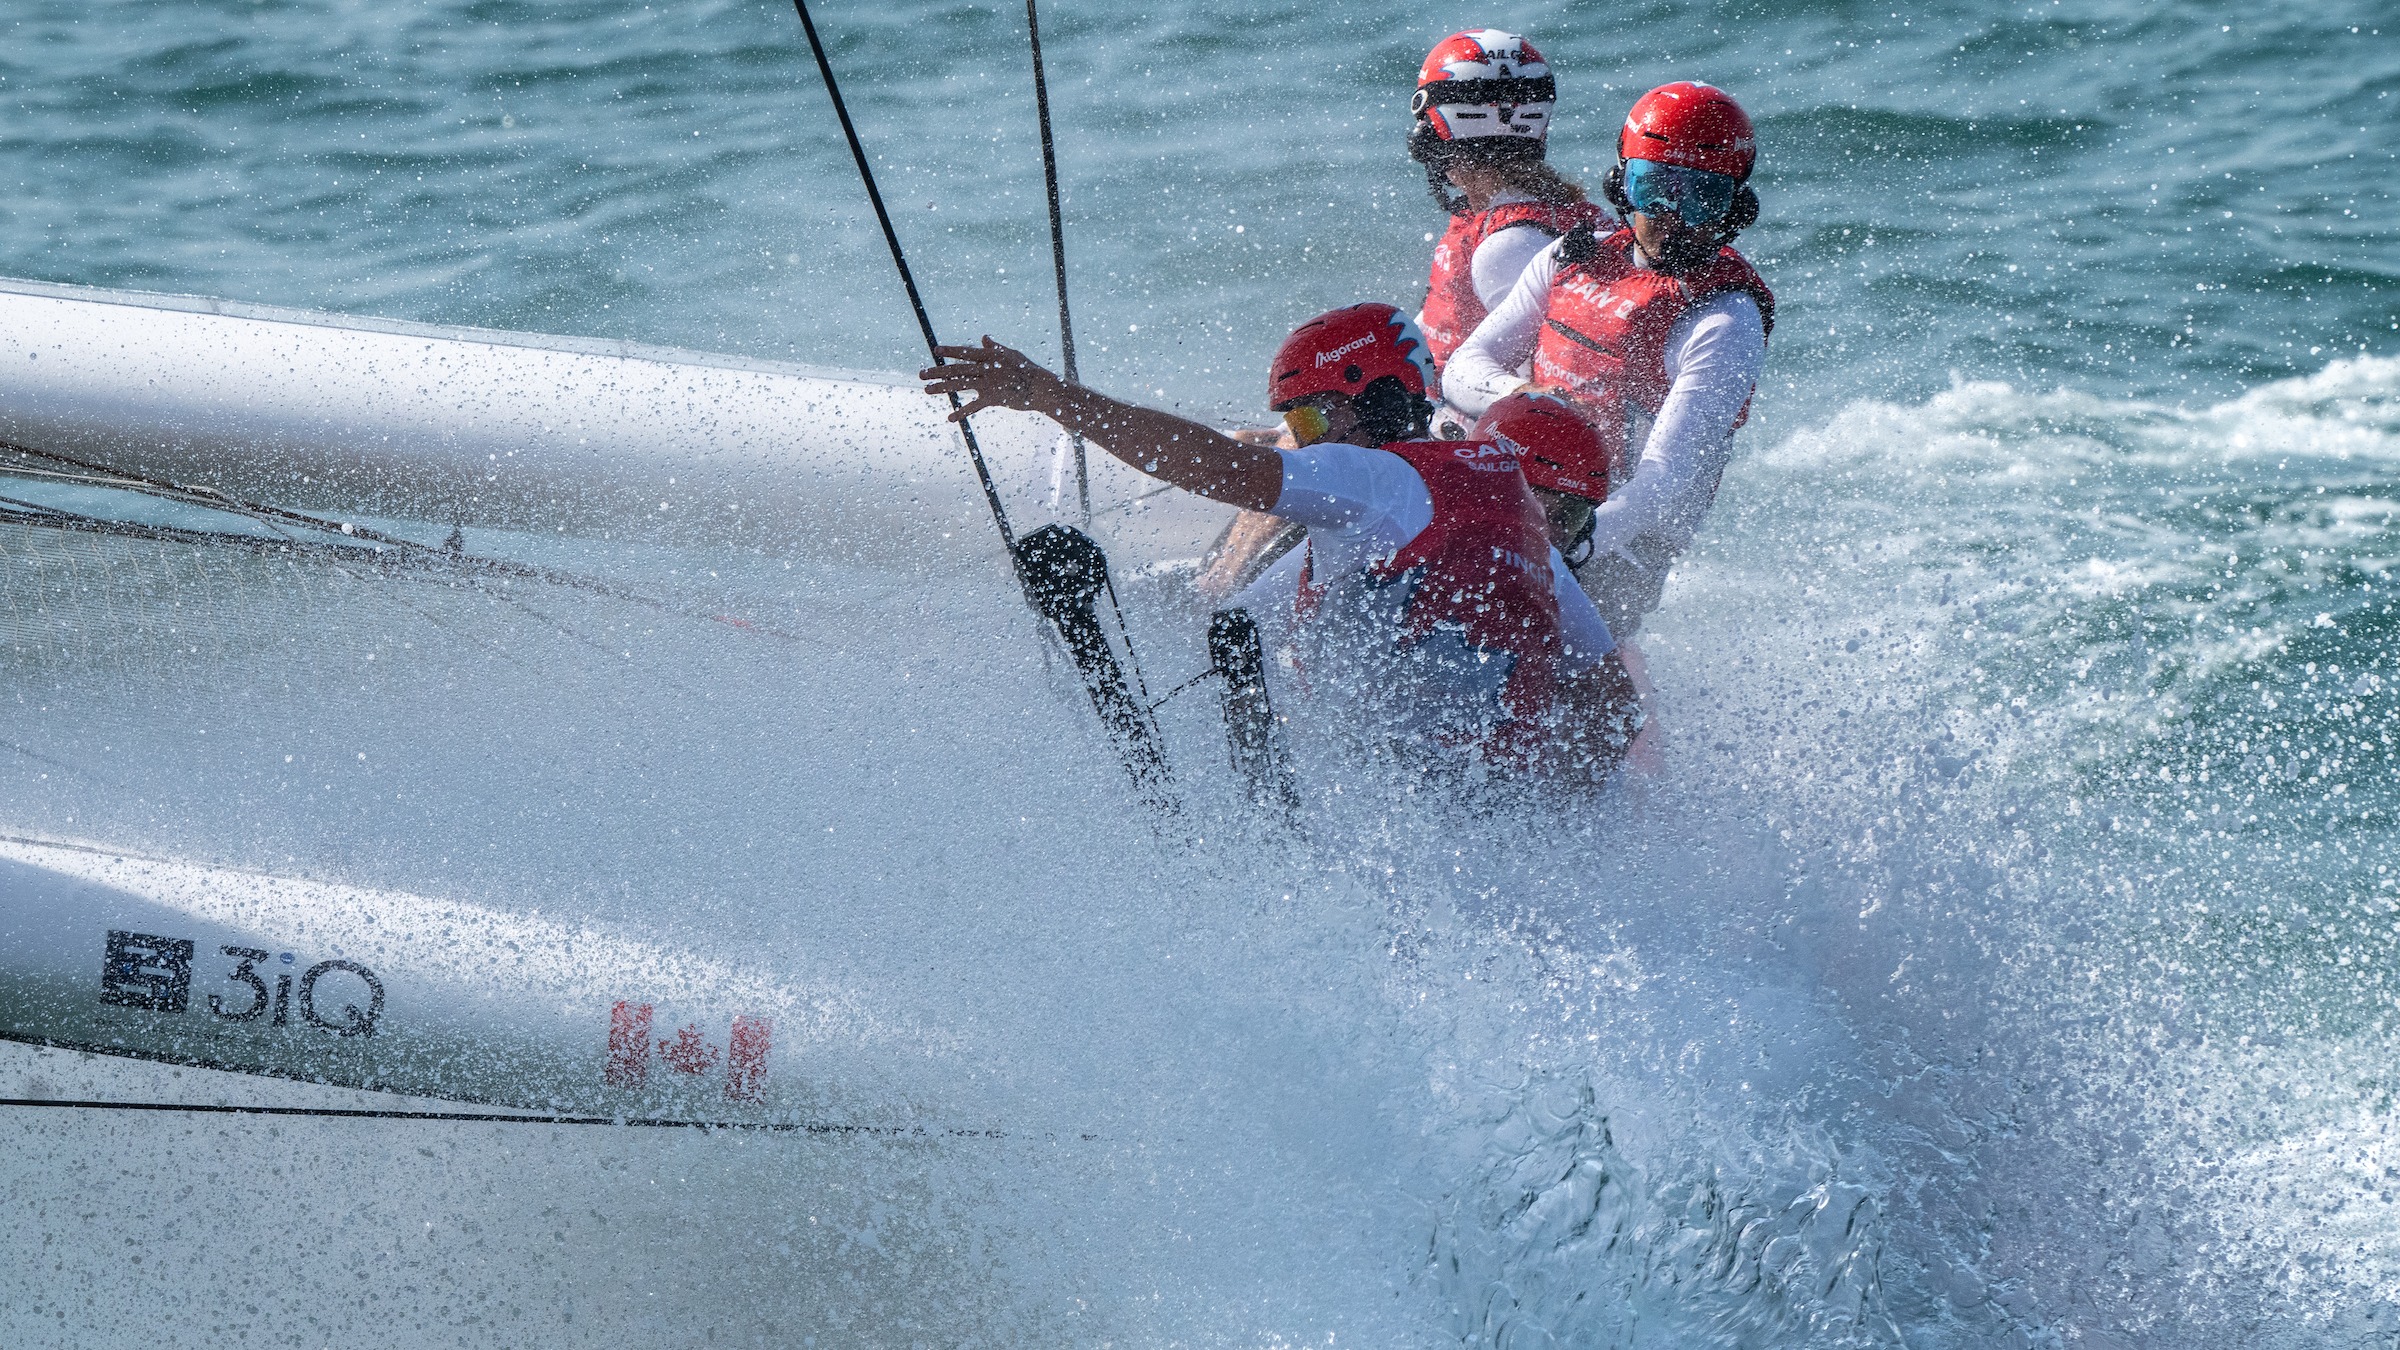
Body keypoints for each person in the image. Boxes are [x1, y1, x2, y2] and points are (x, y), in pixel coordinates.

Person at [921, 304, 1641, 779]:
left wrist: (1051, 396)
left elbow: (1215, 467)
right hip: (1491, 812)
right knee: (1238, 631)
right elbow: (1615, 709)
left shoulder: (1374, 481)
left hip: (1397, 800)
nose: (1296, 442)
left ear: (1362, 408)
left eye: (1306, 422)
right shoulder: (1504, 508)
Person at [1195, 30, 1599, 603]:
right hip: (1447, 438)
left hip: (1464, 465)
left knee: (1294, 449)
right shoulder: (1530, 218)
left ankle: (1216, 604)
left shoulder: (1509, 245)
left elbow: (1544, 391)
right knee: (1278, 435)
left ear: (1443, 131)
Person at [1441, 81, 1773, 643]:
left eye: (1703, 197)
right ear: (1622, 183)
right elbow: (1464, 366)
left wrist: (1548, 544)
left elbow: (1661, 486)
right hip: (1531, 498)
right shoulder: (1572, 257)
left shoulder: (1724, 321)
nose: (1675, 216)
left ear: (1736, 205)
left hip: (1619, 543)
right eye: (1655, 188)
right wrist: (1526, 400)